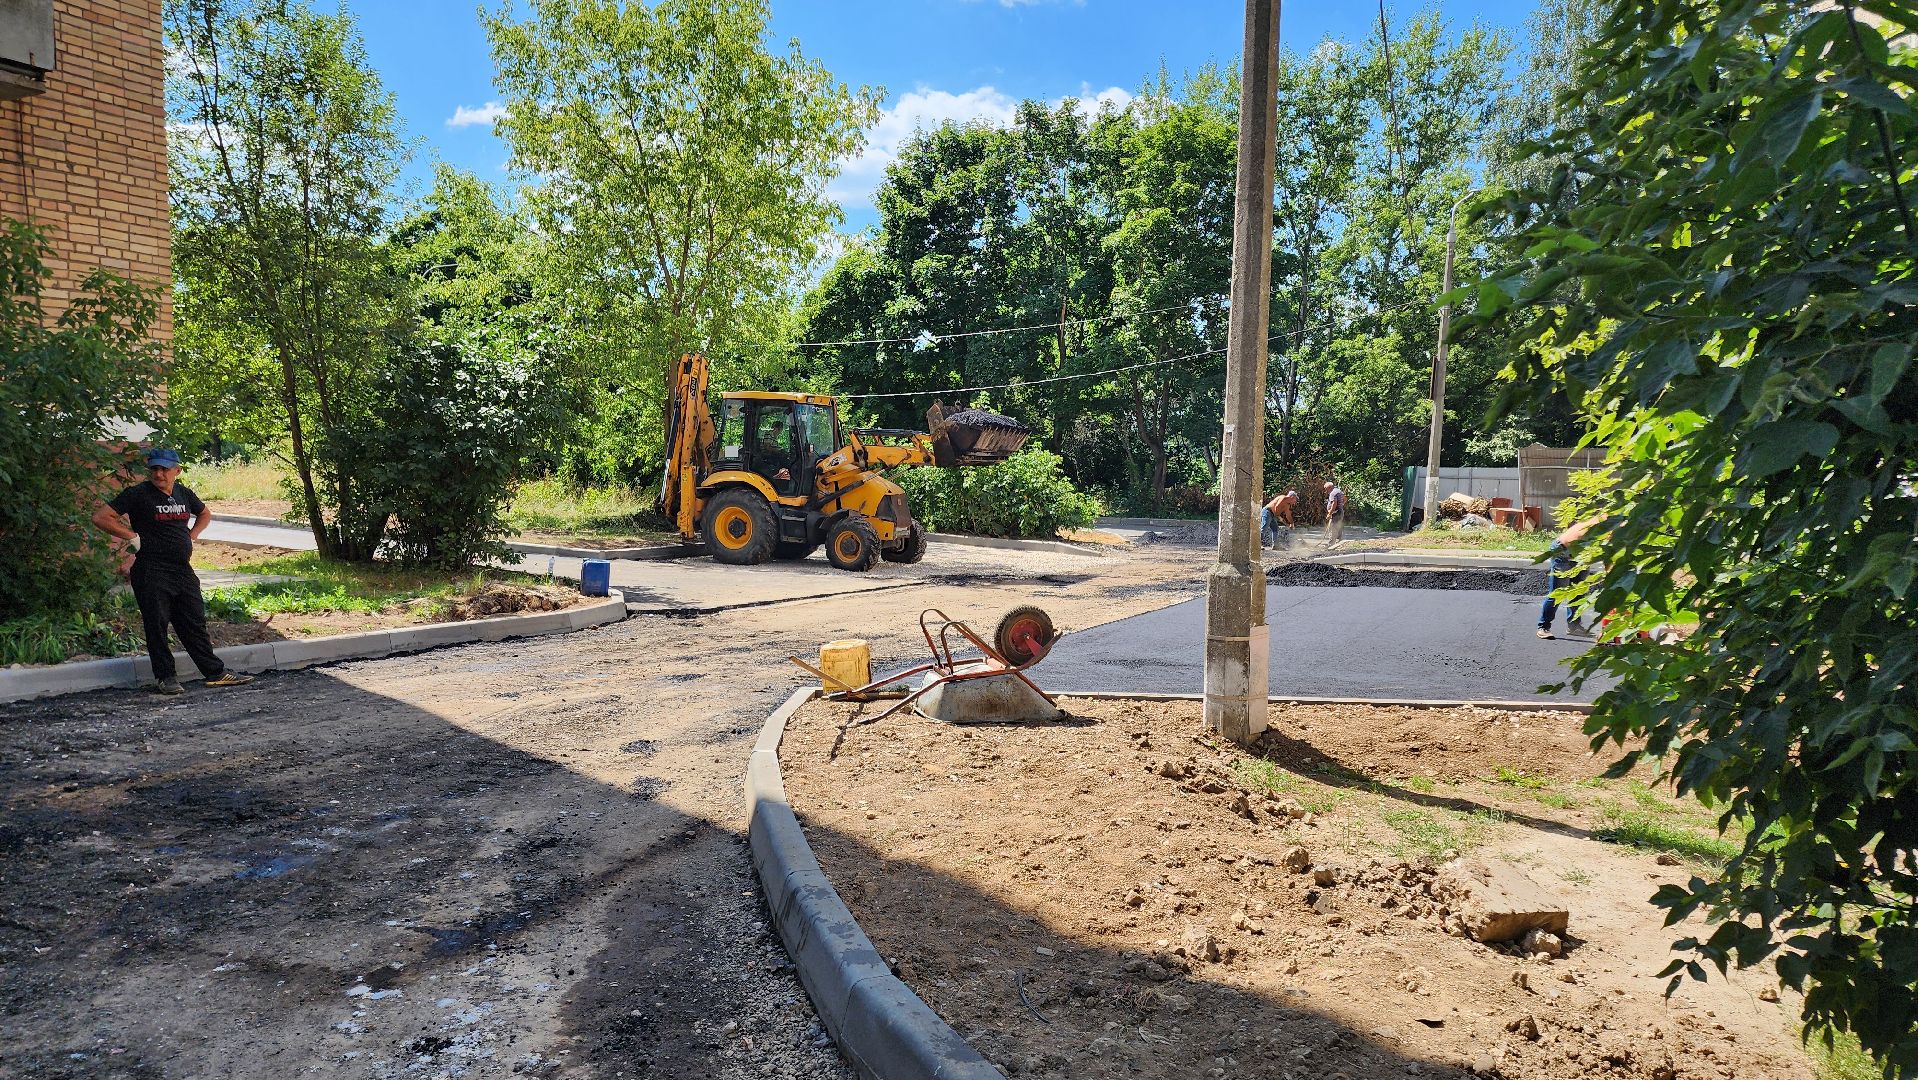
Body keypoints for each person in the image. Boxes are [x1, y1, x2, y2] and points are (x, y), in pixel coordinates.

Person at [91, 448, 253, 695]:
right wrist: (131, 535)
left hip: (182, 571)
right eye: (154, 469)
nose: (159, 474)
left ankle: (215, 673)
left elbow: (205, 513)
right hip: (151, 571)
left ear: (177, 471)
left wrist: (192, 536)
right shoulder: (137, 494)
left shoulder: (183, 493)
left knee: (194, 622)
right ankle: (166, 677)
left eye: (164, 469)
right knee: (157, 624)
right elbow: (102, 517)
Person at [1537, 516, 1602, 640]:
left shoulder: (1608, 523)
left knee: (1577, 592)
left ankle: (1574, 626)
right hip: (1562, 551)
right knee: (1557, 594)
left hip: (1581, 556)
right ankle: (1543, 627)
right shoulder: (1603, 525)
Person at [1322, 480, 1346, 546]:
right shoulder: (1339, 491)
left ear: (1329, 487)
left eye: (1325, 489)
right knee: (1338, 527)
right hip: (1340, 511)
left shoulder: (1333, 493)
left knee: (1333, 528)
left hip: (1336, 513)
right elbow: (1345, 498)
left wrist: (1329, 513)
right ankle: (1340, 542)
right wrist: (1341, 505)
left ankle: (1331, 544)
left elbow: (1334, 503)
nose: (1325, 491)